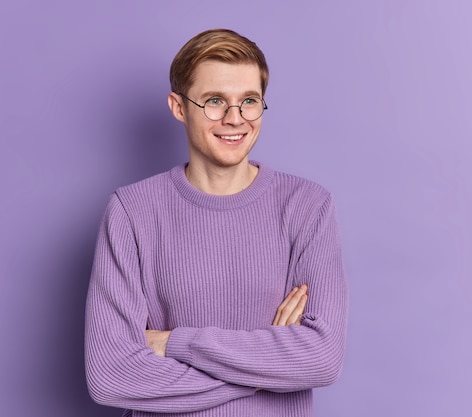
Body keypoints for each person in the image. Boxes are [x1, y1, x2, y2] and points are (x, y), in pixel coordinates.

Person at [84, 28, 348, 417]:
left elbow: (321, 358)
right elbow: (111, 375)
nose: (234, 119)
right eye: (214, 101)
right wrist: (265, 368)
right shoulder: (131, 210)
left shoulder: (308, 207)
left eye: (249, 101)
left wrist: (174, 343)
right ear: (179, 107)